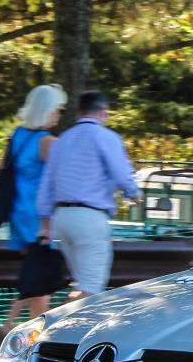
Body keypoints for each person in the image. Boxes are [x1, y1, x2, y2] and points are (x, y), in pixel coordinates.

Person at [36, 90, 141, 298]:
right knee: (92, 287)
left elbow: (46, 184)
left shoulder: (62, 140)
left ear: (79, 112)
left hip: (62, 218)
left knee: (82, 283)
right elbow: (122, 173)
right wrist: (135, 194)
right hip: (90, 217)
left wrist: (45, 225)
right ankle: (71, 328)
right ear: (103, 111)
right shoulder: (106, 137)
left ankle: (68, 323)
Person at [0, 83, 66, 336]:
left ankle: (32, 332)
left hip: (18, 211)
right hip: (40, 215)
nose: (58, 115)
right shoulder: (47, 141)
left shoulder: (17, 135)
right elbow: (63, 176)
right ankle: (10, 324)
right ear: (47, 110)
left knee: (36, 274)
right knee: (39, 275)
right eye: (57, 110)